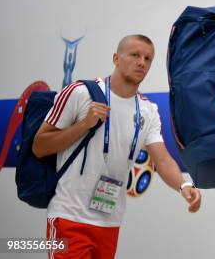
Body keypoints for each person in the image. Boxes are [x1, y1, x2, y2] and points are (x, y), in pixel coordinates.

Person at [33, 34, 201, 259]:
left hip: (109, 222)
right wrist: (84, 124)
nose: (142, 62)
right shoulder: (80, 92)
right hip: (69, 217)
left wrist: (184, 186)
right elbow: (39, 146)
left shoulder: (148, 111)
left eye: (148, 58)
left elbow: (162, 159)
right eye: (135, 55)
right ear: (116, 58)